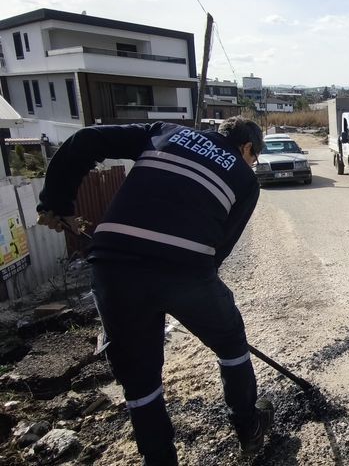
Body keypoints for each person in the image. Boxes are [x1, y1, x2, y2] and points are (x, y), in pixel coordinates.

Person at [36, 117, 272, 465]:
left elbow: (87, 140)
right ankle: (248, 426)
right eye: (254, 157)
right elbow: (220, 247)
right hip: (186, 270)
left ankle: (159, 459)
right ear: (248, 148)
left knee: (139, 374)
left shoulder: (165, 132)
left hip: (114, 265)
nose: (250, 163)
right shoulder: (244, 178)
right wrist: (195, 299)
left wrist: (57, 203)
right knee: (231, 341)